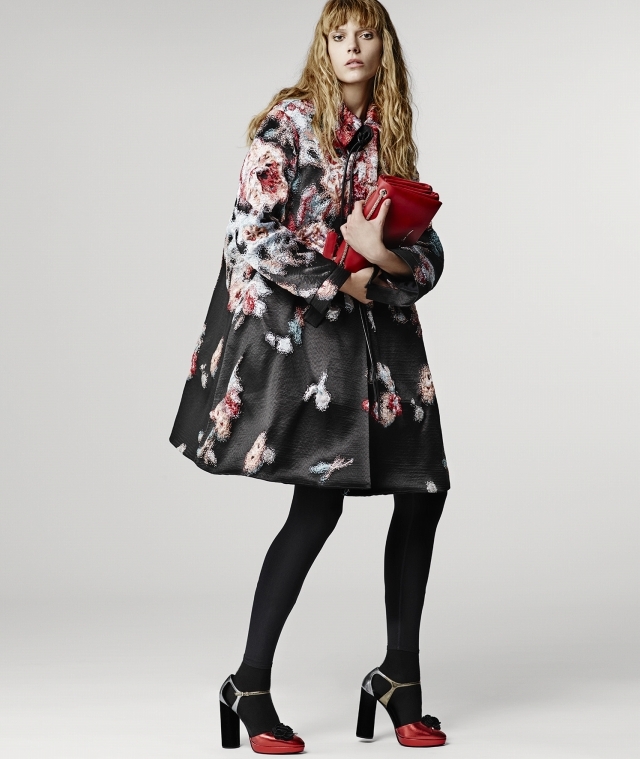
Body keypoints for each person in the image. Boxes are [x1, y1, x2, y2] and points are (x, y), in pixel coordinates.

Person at [170, 0, 451, 752]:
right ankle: (249, 683)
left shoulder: (390, 131)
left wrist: (382, 257)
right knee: (319, 504)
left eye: (366, 34)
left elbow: (427, 254)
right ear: (323, 45)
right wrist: (342, 277)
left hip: (385, 345)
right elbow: (251, 234)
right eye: (338, 34)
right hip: (314, 343)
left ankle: (399, 677)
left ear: (384, 47)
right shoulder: (287, 125)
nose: (352, 46)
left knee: (424, 490)